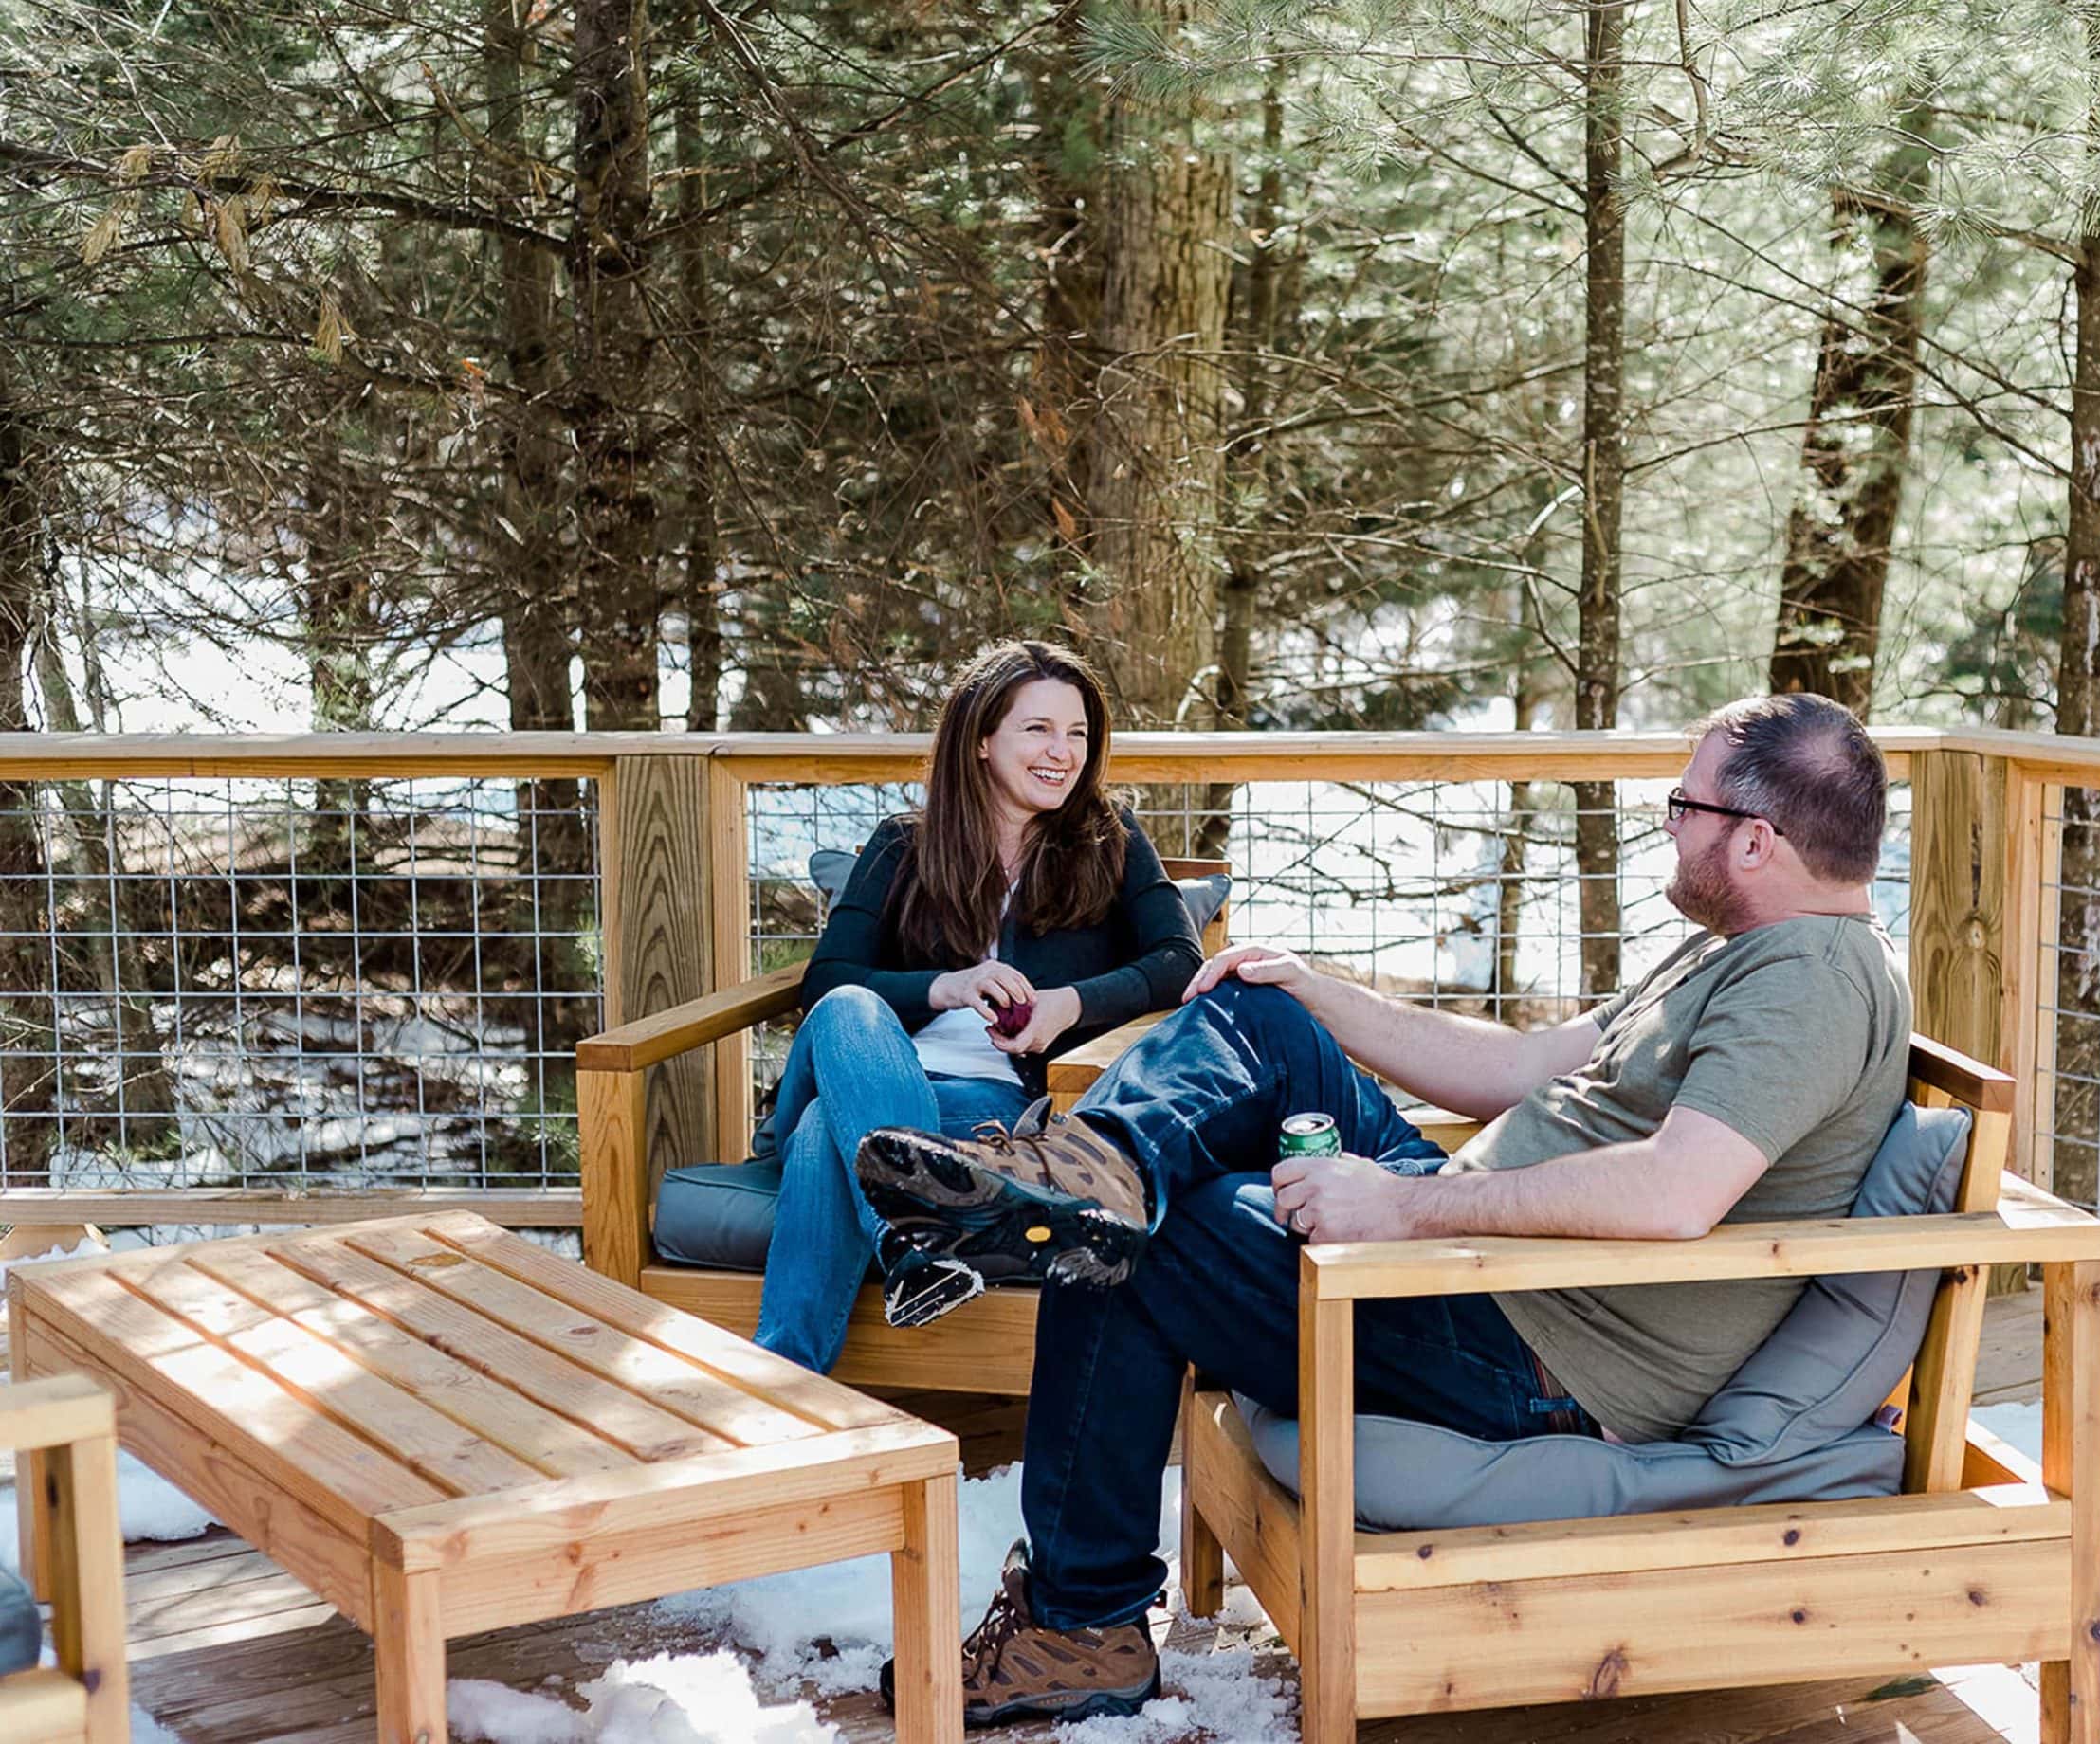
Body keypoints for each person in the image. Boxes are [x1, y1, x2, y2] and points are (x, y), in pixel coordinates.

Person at [857, 692, 1914, 1727]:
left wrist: (1401, 1209)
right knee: (1259, 1017)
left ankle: (1079, 1625)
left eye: (1684, 809)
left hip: (1530, 1347)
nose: (1668, 827)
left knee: (1154, 1238)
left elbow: (1679, 1193)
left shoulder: (1811, 979)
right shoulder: (1733, 948)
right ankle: (1087, 1170)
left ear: (1754, 840)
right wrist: (1320, 991)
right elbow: (1518, 1068)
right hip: (1476, 1265)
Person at [748, 639, 1203, 1372]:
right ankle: (914, 1235)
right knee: (850, 1007)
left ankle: (780, 1385)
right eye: (1038, 730)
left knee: (820, 1133)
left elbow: (1181, 962)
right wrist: (947, 986)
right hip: (860, 1058)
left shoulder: (1109, 843)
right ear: (983, 739)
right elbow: (825, 981)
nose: (1063, 752)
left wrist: (1066, 1006)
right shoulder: (904, 846)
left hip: (982, 1107)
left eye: (1078, 734)